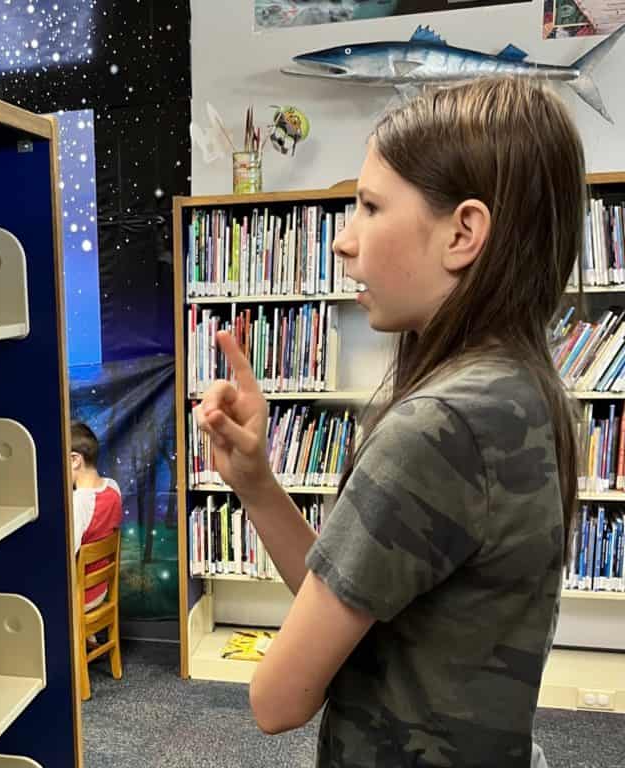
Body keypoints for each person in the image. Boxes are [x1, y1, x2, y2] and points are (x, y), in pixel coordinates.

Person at [194, 77, 580, 767]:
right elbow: (363, 600)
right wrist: (254, 482)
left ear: (463, 232)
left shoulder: (437, 428)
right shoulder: (523, 389)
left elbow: (275, 700)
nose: (343, 243)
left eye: (370, 206)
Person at [71, 420, 123, 612]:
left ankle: (76, 639)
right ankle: (88, 637)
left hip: (82, 596)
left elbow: (68, 556)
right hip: (101, 588)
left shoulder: (79, 502)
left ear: (76, 460)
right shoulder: (112, 487)